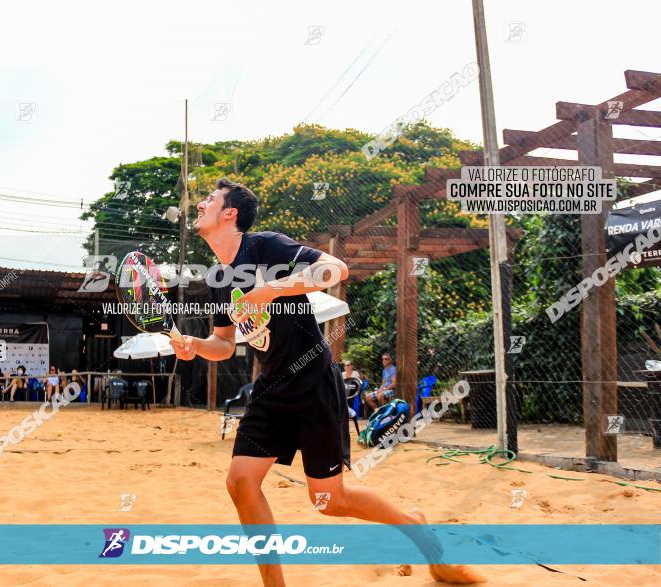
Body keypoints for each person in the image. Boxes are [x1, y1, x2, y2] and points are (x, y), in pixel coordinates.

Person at [169, 179, 483, 586]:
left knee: (329, 501)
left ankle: (420, 533)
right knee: (240, 482)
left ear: (230, 214)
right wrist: (194, 344)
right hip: (270, 388)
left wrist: (270, 290)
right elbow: (224, 345)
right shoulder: (217, 278)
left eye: (209, 200)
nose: (200, 205)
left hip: (313, 380)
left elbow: (336, 269)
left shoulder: (264, 247)